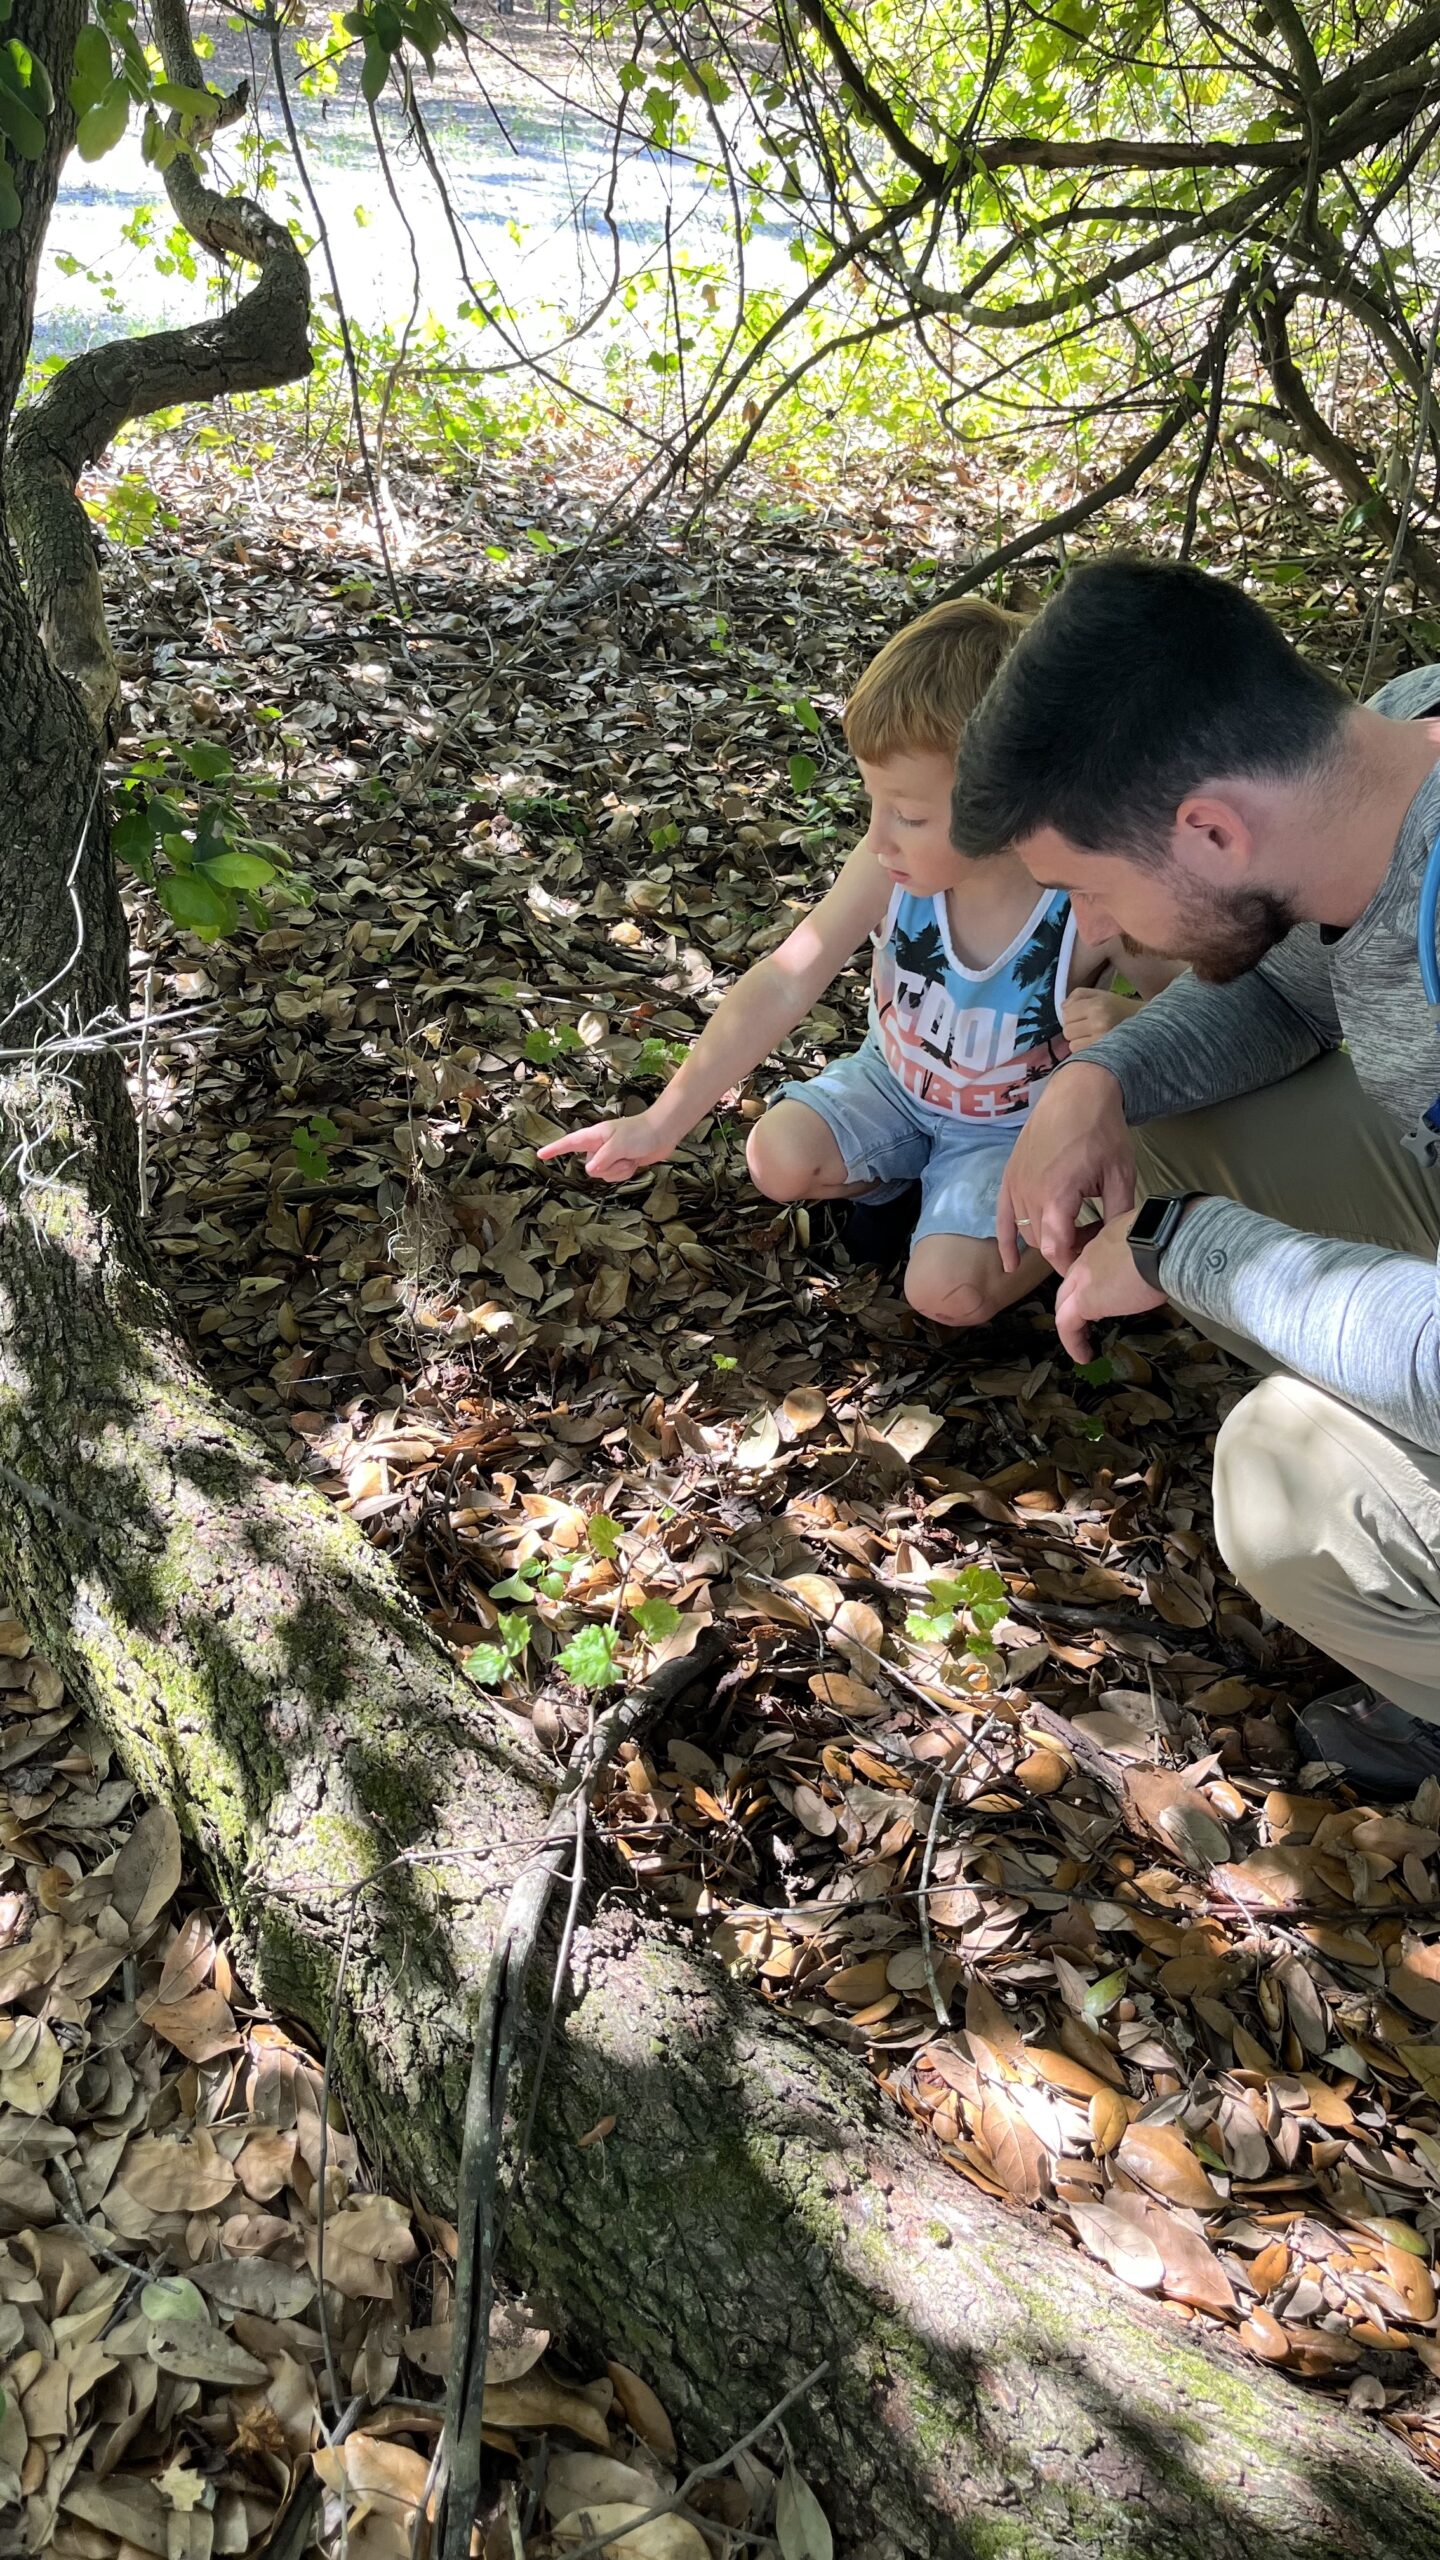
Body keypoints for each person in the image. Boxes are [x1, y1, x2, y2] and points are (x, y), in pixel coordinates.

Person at [949, 554, 1440, 1794]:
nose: (1096, 934)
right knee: (1148, 1115)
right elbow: (1289, 987)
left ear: (1210, 826)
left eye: (1088, 889)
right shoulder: (1399, 739)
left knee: (1294, 1491)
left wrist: (1189, 1246)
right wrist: (1093, 1083)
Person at [541, 597, 1175, 1330]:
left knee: (947, 1296)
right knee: (776, 1157)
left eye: (907, 814)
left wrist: (1131, 1020)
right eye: (873, 805)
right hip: (896, 1088)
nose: (879, 839)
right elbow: (786, 979)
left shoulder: (1087, 902)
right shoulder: (890, 870)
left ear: (1009, 803)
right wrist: (662, 1122)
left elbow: (1199, 1012)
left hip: (1014, 1135)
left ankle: (1071, 1228)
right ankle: (898, 1187)